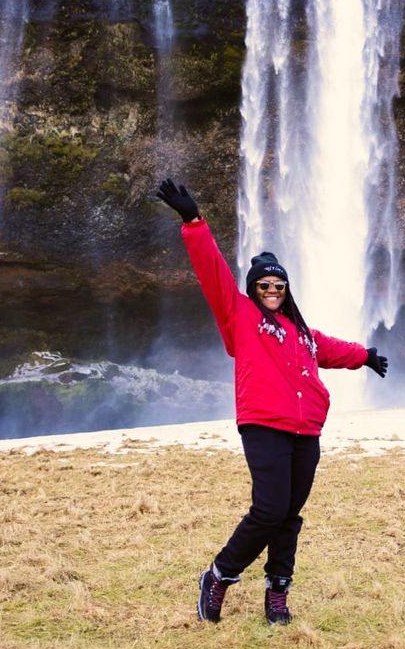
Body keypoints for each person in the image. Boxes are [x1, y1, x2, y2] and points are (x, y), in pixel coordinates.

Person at [155, 178, 389, 625]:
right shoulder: (239, 315)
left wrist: (364, 356)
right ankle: (220, 575)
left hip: (307, 431)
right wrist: (193, 221)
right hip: (264, 424)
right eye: (262, 283)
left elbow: (327, 346)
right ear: (252, 288)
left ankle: (277, 592)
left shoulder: (299, 331)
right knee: (268, 509)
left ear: (285, 287)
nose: (270, 287)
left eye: (277, 283)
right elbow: (212, 273)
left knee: (289, 515)